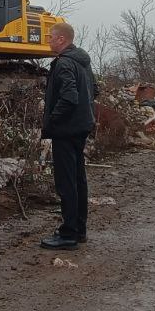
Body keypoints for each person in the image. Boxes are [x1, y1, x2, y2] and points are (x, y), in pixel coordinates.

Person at [39, 22, 97, 250]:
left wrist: (53, 119)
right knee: (78, 179)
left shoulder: (63, 63)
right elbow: (95, 90)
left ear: (62, 39)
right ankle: (79, 230)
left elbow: (69, 97)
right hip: (82, 127)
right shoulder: (83, 62)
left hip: (66, 130)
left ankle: (68, 234)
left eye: (51, 37)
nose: (48, 40)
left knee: (66, 182)